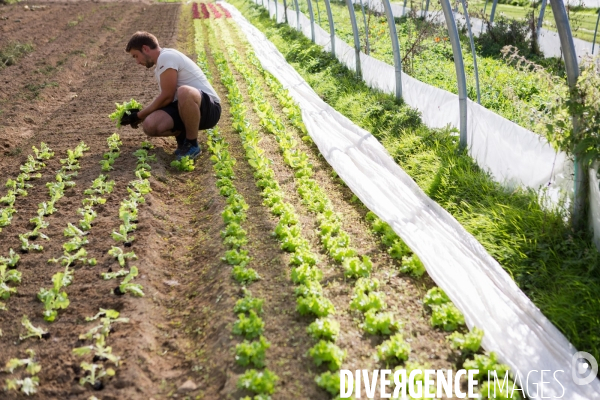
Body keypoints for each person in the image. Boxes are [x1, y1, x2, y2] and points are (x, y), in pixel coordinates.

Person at [121, 31, 221, 159]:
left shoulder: (166, 57)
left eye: (136, 56)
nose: (137, 62)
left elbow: (167, 96)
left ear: (145, 49)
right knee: (150, 125)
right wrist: (141, 116)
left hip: (209, 108)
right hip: (186, 107)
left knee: (184, 91)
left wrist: (139, 115)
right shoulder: (160, 66)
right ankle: (183, 139)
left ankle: (192, 144)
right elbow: (168, 100)